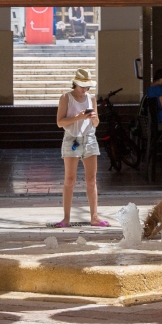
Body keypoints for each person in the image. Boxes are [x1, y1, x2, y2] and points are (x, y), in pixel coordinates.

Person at [57, 68, 107, 228]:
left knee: (91, 180)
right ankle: (66, 218)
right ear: (75, 83)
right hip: (72, 139)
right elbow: (60, 122)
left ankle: (95, 216)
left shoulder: (91, 98)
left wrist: (93, 118)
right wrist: (77, 118)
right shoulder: (66, 97)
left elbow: (96, 123)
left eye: (86, 86)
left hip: (89, 138)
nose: (84, 89)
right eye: (81, 86)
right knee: (69, 180)